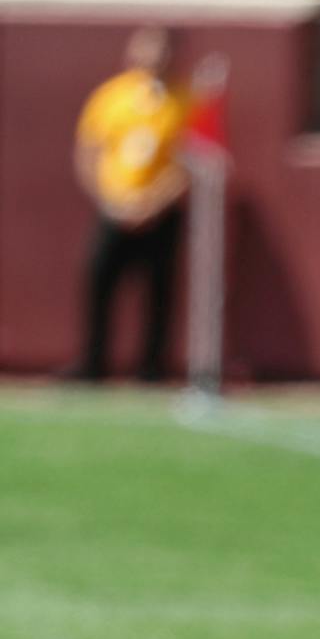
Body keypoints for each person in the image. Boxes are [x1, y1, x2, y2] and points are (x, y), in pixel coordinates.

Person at [72, 25, 189, 383]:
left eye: (162, 49)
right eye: (148, 48)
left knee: (159, 290)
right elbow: (89, 152)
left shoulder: (186, 101)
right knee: (99, 282)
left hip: (162, 213)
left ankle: (151, 368)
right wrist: (113, 200)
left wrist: (153, 203)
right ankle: (92, 364)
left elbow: (191, 161)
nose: (155, 57)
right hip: (114, 208)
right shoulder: (111, 96)